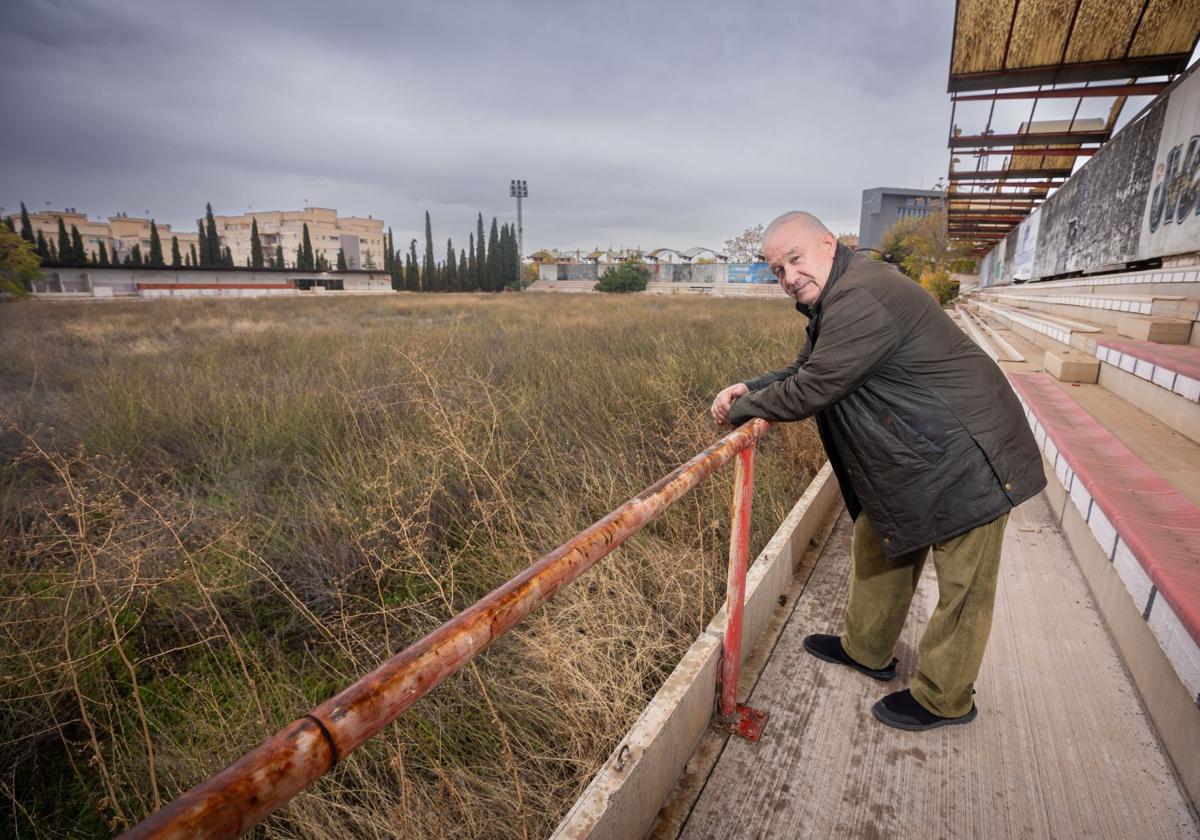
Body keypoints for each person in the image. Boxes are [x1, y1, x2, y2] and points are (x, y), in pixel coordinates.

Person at [711, 211, 1045, 731]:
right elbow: (808, 367)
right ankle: (867, 650)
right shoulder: (839, 294)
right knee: (881, 540)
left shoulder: (859, 296)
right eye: (777, 271)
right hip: (919, 451)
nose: (789, 278)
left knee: (965, 586)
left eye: (795, 260)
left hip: (969, 452)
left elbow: (813, 388)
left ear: (828, 244)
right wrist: (751, 388)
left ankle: (945, 698)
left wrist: (739, 411)